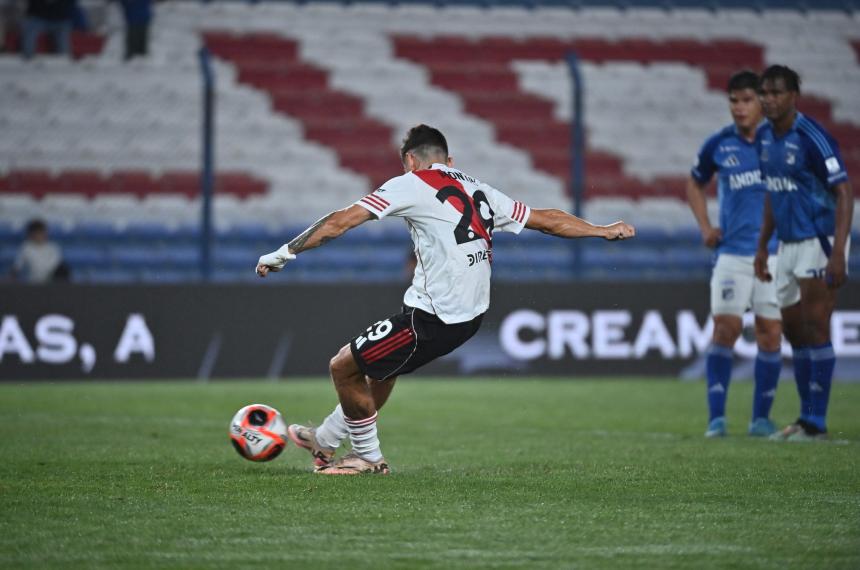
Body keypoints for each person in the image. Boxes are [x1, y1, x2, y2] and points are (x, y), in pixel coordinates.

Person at [256, 124, 636, 474]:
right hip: (466, 316)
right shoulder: (479, 188)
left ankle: (367, 458)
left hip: (435, 317)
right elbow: (546, 219)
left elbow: (342, 220)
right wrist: (601, 230)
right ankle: (325, 438)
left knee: (343, 367)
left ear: (410, 161)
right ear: (449, 160)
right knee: (383, 368)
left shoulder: (411, 182)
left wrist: (285, 252)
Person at [754, 65, 854, 441]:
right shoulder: (764, 137)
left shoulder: (812, 136)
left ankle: (817, 423)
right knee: (794, 332)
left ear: (794, 95)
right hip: (787, 244)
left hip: (819, 238)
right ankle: (804, 417)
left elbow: (844, 192)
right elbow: (772, 192)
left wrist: (839, 251)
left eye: (776, 92)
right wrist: (763, 245)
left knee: (815, 325)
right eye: (764, 92)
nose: (768, 99)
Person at [686, 70, 783, 438]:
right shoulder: (719, 144)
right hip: (731, 254)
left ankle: (760, 419)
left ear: (762, 102)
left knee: (770, 333)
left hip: (775, 254)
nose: (739, 108)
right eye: (733, 100)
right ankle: (717, 419)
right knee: (725, 329)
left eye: (747, 100)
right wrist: (705, 227)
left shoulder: (780, 140)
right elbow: (694, 182)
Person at [12, 219, 67, 283]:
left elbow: (57, 266)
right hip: (33, 283)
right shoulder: (26, 248)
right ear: (30, 234)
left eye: (41, 232)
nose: (39, 235)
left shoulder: (53, 248)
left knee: (63, 270)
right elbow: (17, 266)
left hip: (51, 282)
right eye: (36, 233)